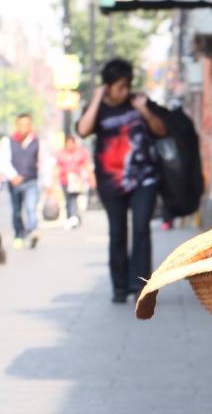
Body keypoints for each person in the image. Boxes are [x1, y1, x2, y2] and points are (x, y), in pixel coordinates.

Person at [76, 58, 167, 303]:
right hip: (110, 182)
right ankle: (119, 286)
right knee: (117, 232)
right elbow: (83, 130)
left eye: (127, 85)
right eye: (119, 87)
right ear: (107, 86)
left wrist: (144, 110)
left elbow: (161, 131)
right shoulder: (98, 108)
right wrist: (96, 99)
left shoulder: (137, 103)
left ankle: (141, 287)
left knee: (140, 229)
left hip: (143, 179)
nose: (124, 91)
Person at [0, 113, 48, 250]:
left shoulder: (37, 141)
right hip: (14, 182)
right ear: (17, 126)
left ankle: (32, 231)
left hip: (31, 180)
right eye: (21, 124)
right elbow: (3, 160)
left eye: (27, 124)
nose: (24, 128)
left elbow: (44, 161)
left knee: (31, 208)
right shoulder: (8, 141)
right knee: (16, 211)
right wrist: (13, 176)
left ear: (31, 126)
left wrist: (48, 182)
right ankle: (18, 234)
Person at [55, 135, 93, 229]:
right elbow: (57, 167)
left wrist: (90, 177)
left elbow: (86, 164)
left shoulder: (81, 152)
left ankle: (73, 216)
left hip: (77, 180)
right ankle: (71, 216)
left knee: (73, 198)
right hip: (65, 180)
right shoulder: (61, 153)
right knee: (68, 199)